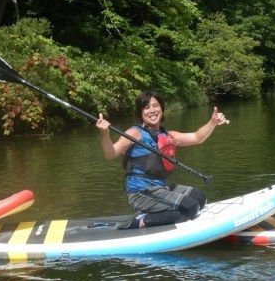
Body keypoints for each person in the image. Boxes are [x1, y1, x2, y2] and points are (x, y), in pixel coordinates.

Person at [95, 91, 230, 229]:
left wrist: (212, 122)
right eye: (147, 107)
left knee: (200, 198)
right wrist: (105, 134)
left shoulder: (167, 135)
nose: (152, 110)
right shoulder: (134, 133)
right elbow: (110, 154)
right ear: (140, 113)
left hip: (160, 187)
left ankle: (154, 210)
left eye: (155, 106)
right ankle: (140, 220)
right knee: (191, 208)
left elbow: (197, 137)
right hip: (140, 192)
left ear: (162, 109)